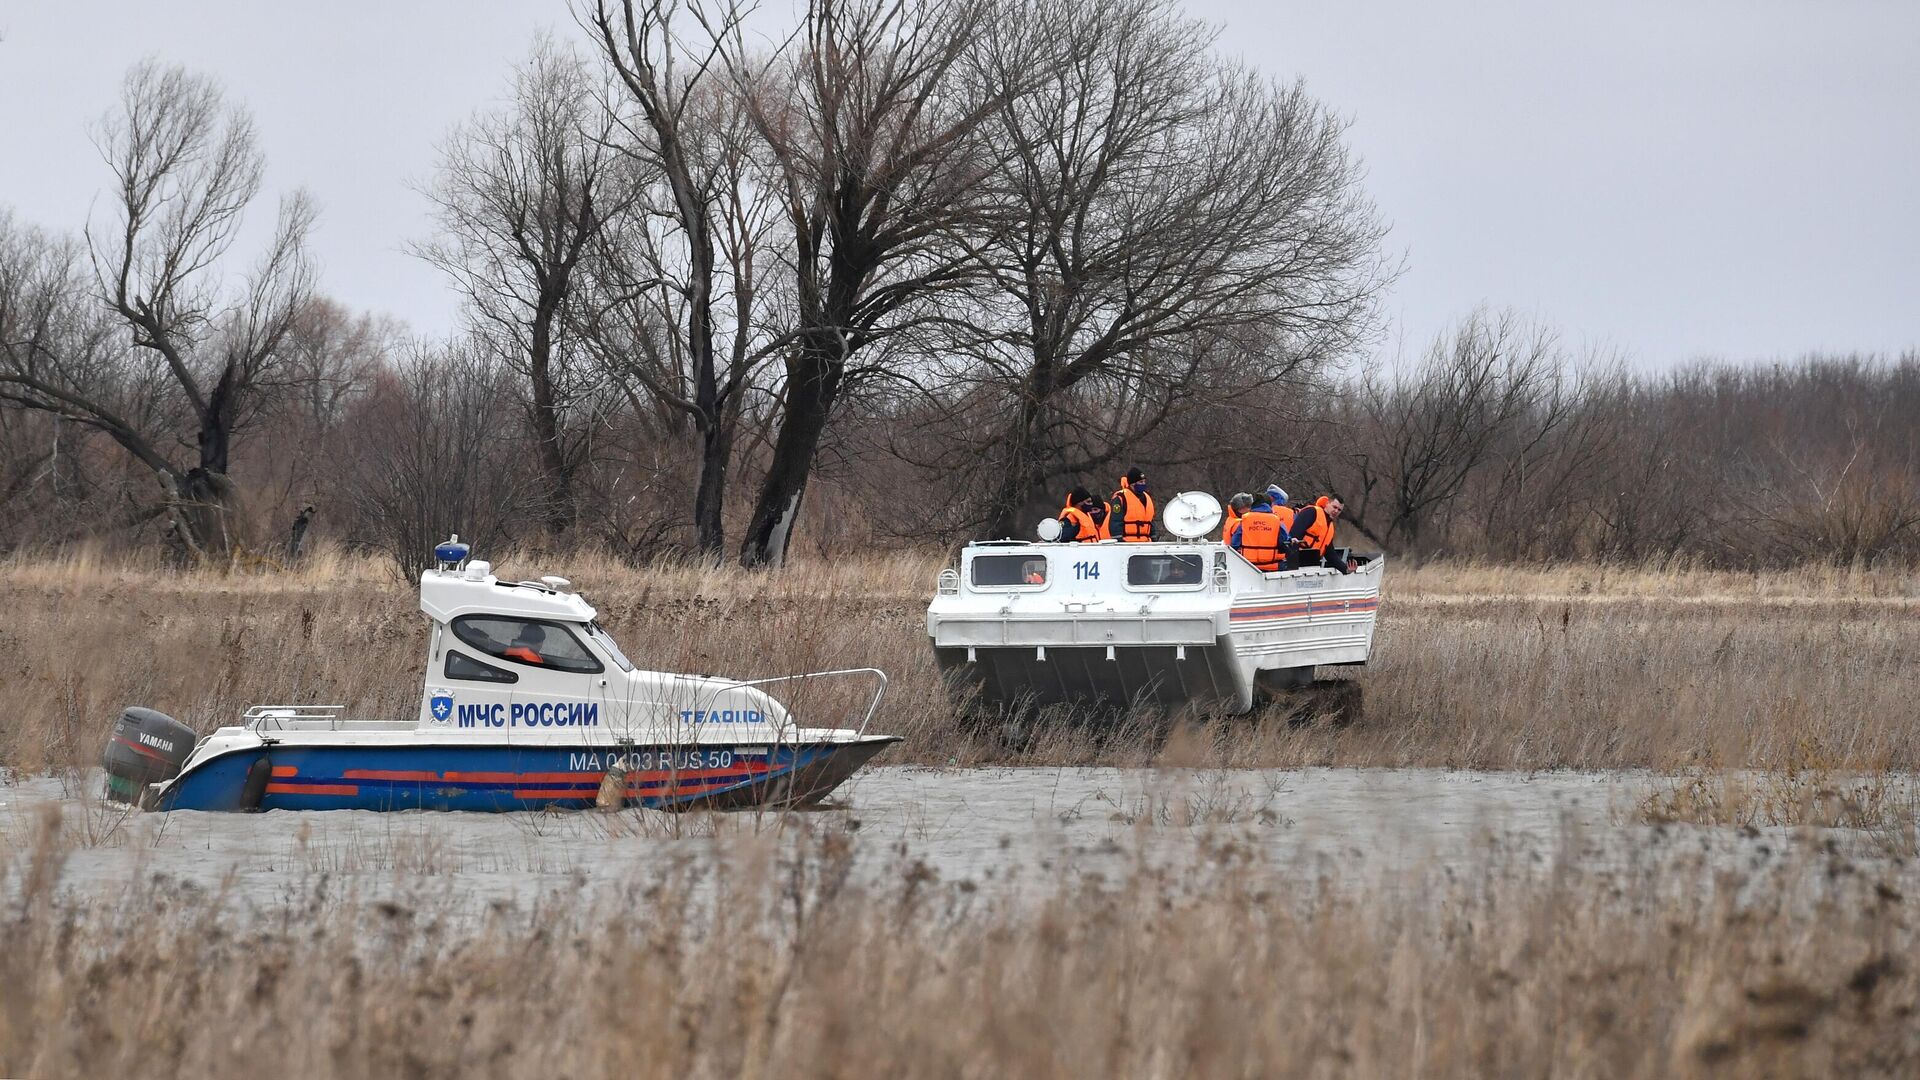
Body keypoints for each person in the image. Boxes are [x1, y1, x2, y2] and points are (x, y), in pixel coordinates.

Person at [1229, 492, 1290, 572]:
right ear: (1269, 505)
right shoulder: (1276, 521)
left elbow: (1234, 544)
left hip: (1248, 565)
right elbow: (1284, 544)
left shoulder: (1245, 519)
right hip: (1273, 565)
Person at [1288, 496, 1349, 573]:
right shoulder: (1311, 512)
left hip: (1312, 567)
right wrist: (1293, 567)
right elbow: (1293, 536)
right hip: (1296, 565)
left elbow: (1330, 555)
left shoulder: (1329, 527)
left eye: (1339, 510)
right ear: (1327, 503)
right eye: (1334, 507)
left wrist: (1346, 569)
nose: (1336, 511)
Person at [1111, 468, 1154, 542]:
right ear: (1132, 484)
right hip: (1128, 542)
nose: (1143, 484)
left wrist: (1153, 535)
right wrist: (1118, 539)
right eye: (1141, 482)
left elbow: (1150, 520)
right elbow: (1115, 520)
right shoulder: (1121, 497)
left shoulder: (1147, 497)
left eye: (1144, 482)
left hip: (1146, 542)